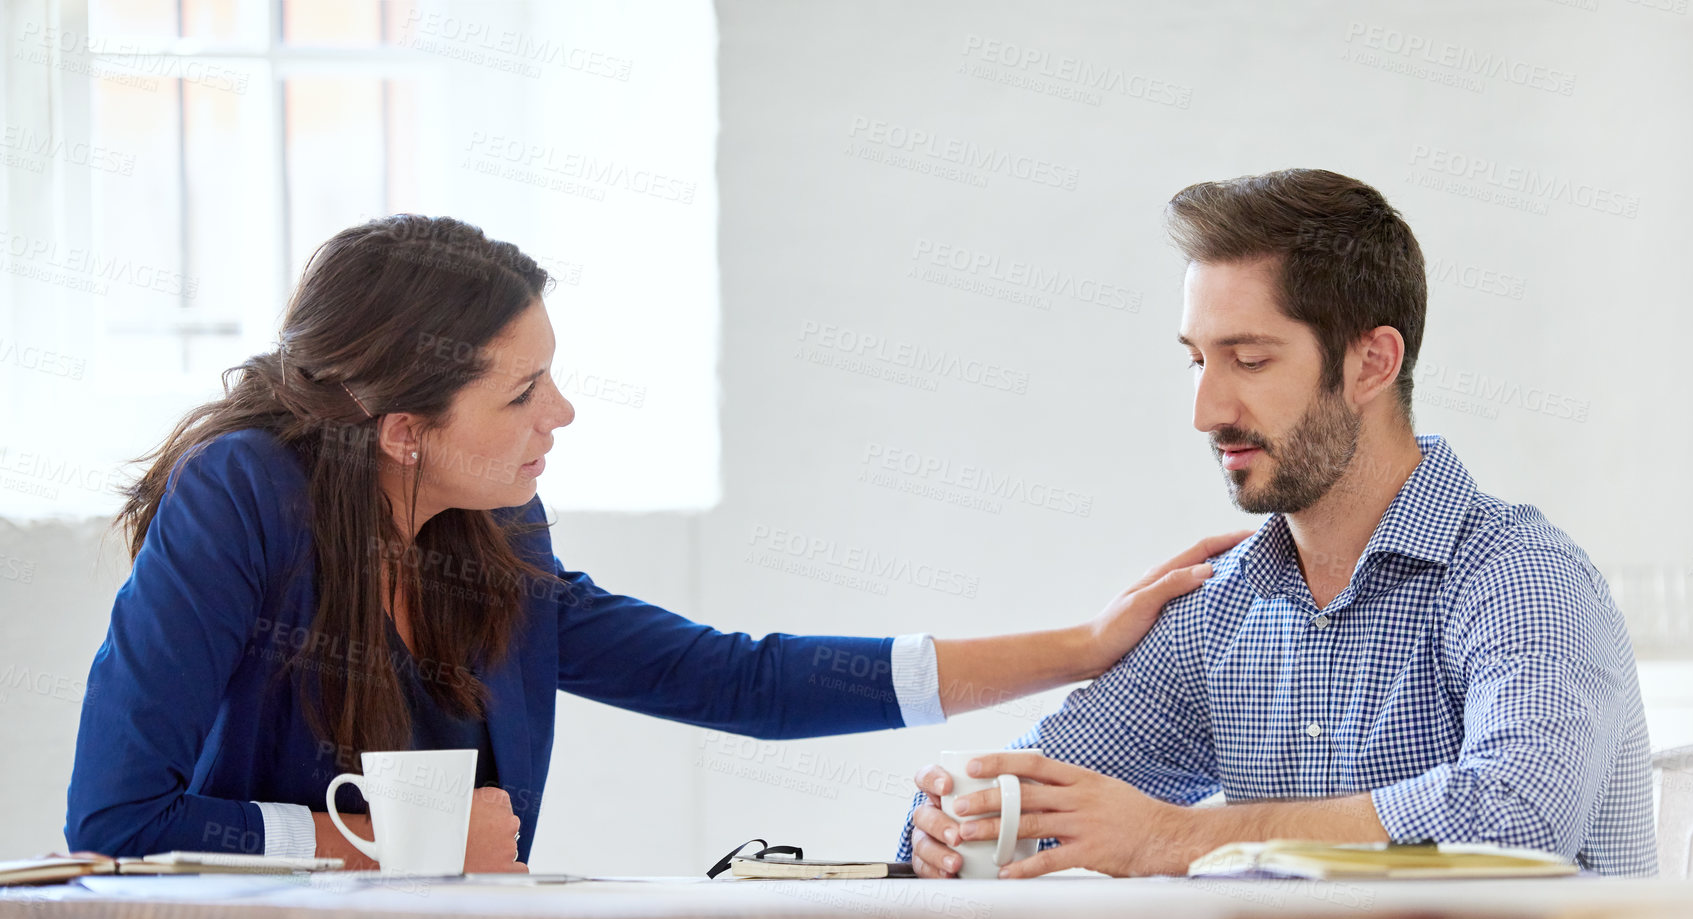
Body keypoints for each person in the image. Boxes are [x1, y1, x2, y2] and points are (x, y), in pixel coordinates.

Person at [63, 214, 1244, 872]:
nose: (560, 414)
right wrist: (354, 839)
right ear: (406, 431)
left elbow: (734, 675)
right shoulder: (242, 497)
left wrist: (1081, 647)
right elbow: (113, 817)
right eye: (524, 391)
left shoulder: (490, 525)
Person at [900, 169, 1656, 879]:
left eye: (1250, 360)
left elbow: (1518, 817)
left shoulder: (1521, 577)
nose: (1206, 411)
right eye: (1197, 360)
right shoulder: (1218, 612)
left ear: (1371, 364)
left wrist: (1172, 837)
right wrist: (948, 824)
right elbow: (1027, 796)